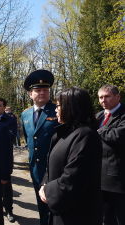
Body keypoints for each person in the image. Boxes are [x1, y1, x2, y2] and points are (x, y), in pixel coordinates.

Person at [39, 87, 102, 225]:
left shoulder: (86, 136)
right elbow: (51, 165)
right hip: (61, 211)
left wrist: (47, 191)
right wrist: (44, 184)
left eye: (59, 105)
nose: (56, 109)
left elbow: (74, 178)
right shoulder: (65, 133)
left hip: (76, 215)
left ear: (72, 107)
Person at [21, 69, 59, 225]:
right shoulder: (25, 114)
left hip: (55, 168)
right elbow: (30, 140)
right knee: (41, 204)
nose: (42, 92)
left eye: (45, 90)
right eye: (38, 90)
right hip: (36, 168)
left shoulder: (57, 111)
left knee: (56, 207)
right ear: (30, 94)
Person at [96, 84, 125, 225]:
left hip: (118, 180)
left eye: (107, 96)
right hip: (99, 178)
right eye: (100, 97)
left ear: (117, 97)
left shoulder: (123, 115)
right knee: (105, 219)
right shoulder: (99, 116)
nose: (103, 100)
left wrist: (98, 130)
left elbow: (118, 136)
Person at [0, 98, 17, 223]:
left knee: (6, 186)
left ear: (4, 107)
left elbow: (12, 137)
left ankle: (9, 210)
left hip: (5, 158)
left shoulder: (10, 120)